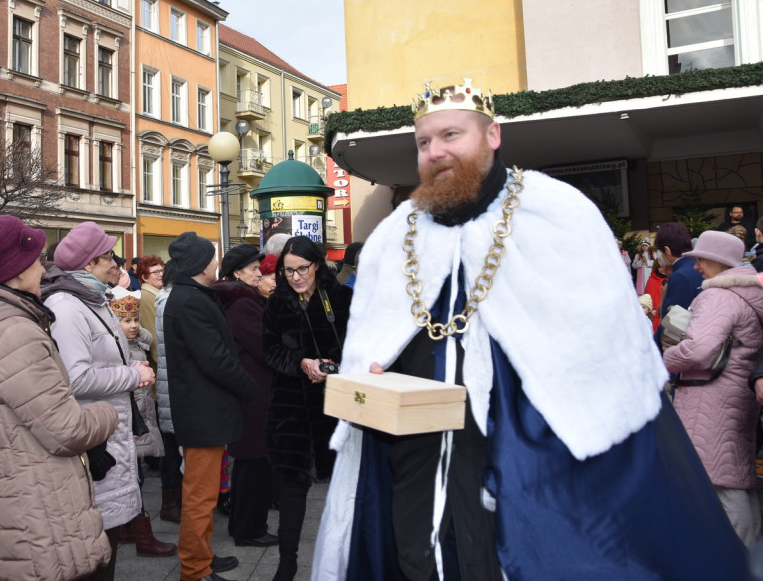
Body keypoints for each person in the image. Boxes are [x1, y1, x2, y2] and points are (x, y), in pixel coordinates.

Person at [312, 79, 748, 580]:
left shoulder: (558, 213)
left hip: (527, 453)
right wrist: (378, 370)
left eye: (451, 135)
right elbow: (377, 334)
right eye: (424, 142)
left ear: (492, 135)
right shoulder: (394, 235)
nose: (435, 152)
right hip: (418, 455)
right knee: (419, 558)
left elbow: (607, 348)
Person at [0, 215, 118, 581]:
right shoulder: (13, 333)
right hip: (39, 512)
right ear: (15, 271)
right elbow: (66, 431)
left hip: (6, 503)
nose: (42, 267)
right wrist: (107, 414)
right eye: (36, 259)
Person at [40, 222, 160, 580]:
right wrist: (132, 375)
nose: (116, 264)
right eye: (108, 257)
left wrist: (129, 363)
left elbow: (102, 359)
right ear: (88, 265)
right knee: (93, 548)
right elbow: (74, 378)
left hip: (110, 429)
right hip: (94, 436)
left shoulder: (94, 298)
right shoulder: (66, 306)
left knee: (105, 544)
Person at [164, 232, 258, 581]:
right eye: (212, 256)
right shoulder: (189, 300)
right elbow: (215, 359)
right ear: (202, 263)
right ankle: (194, 569)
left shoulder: (193, 295)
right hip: (203, 412)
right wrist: (249, 388)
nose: (216, 261)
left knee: (203, 494)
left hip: (206, 410)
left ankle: (202, 555)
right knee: (200, 497)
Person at [662, 231, 763, 546]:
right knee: (736, 478)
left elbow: (697, 350)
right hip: (733, 396)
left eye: (701, 259)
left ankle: (740, 561)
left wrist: (665, 357)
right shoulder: (746, 295)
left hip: (709, 400)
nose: (695, 267)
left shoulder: (717, 296)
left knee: (719, 482)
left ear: (718, 261)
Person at [263, 236, 352, 581]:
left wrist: (331, 366)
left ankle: (344, 559)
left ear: (317, 264)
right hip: (290, 408)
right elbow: (268, 351)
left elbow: (358, 346)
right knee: (292, 487)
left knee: (344, 487)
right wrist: (300, 362)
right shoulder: (277, 304)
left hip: (336, 407)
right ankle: (287, 562)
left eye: (302, 269)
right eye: (288, 271)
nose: (296, 277)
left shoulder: (341, 298)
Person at [210, 245, 279, 549]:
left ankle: (245, 524)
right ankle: (249, 528)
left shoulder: (242, 300)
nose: (258, 273)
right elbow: (265, 348)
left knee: (251, 464)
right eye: (252, 269)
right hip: (254, 393)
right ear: (237, 272)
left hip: (252, 391)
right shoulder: (242, 304)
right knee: (253, 464)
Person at [110, 294, 175, 558]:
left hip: (140, 418)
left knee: (136, 476)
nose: (133, 325)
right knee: (133, 477)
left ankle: (129, 529)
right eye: (126, 321)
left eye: (135, 319)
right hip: (128, 422)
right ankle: (140, 534)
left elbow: (148, 337)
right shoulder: (117, 348)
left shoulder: (137, 342)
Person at [153, 262, 182, 524]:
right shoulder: (171, 301)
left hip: (168, 381)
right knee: (172, 447)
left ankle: (173, 501)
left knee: (172, 446)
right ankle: (171, 503)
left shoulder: (166, 298)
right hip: (171, 383)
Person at [655, 221, 703, 343]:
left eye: (661, 252)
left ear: (667, 250)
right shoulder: (699, 266)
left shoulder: (680, 276)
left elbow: (671, 321)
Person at [136, 256, 165, 371]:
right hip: (158, 364)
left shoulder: (157, 295)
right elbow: (153, 333)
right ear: (144, 277)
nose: (161, 274)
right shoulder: (146, 297)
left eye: (162, 270)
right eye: (156, 272)